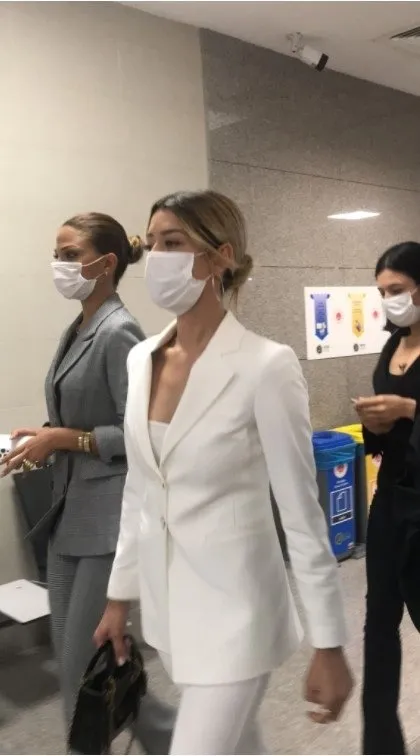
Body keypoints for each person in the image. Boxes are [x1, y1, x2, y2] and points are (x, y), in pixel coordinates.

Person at [95, 191, 353, 755]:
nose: (157, 257)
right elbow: (141, 489)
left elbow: (302, 514)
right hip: (171, 609)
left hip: (239, 614)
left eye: (173, 242)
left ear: (220, 257)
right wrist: (119, 598)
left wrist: (329, 644)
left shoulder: (266, 366)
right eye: (152, 243)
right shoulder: (142, 359)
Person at [1, 213, 174, 753]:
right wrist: (45, 435)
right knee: (89, 659)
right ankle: (174, 738)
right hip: (68, 515)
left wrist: (65, 439)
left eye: (71, 254)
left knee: (81, 663)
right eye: (57, 254)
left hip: (106, 519)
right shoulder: (79, 326)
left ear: (106, 263)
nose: (60, 264)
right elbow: (79, 416)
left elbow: (139, 431)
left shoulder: (119, 330)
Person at [354, 241, 420, 755]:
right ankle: (381, 745)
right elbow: (385, 434)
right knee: (379, 623)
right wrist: (375, 424)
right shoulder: (392, 345)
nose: (389, 301)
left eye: (396, 289)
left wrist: (409, 410)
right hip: (390, 499)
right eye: (382, 292)